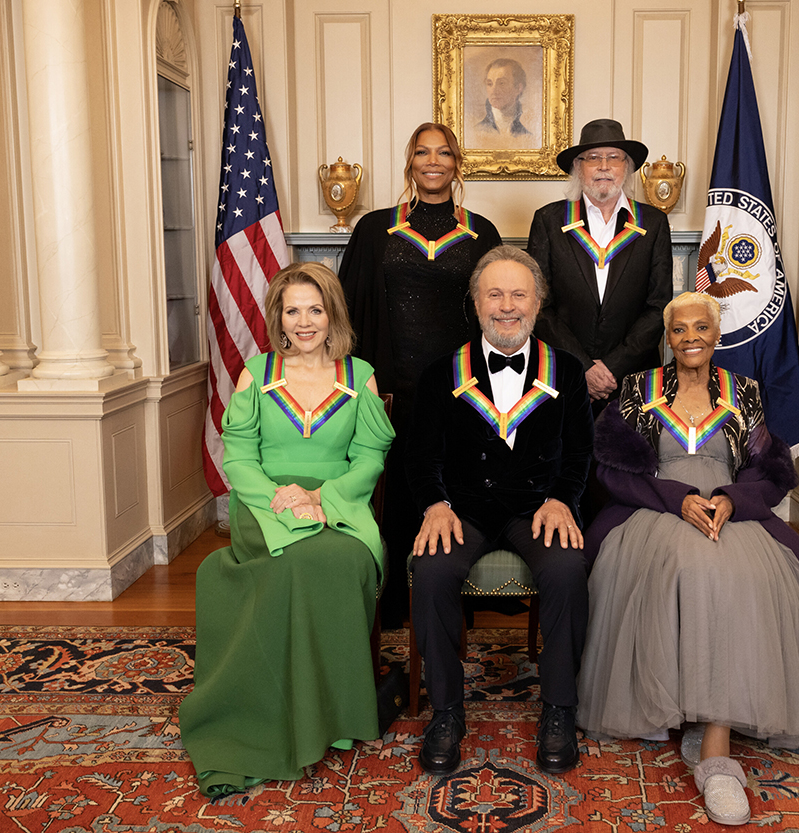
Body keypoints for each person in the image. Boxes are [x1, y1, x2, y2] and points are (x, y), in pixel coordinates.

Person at [576, 292, 799, 826]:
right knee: (686, 568)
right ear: (668, 337)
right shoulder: (637, 389)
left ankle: (717, 751)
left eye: (702, 328)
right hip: (654, 509)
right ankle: (676, 704)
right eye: (680, 329)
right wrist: (676, 499)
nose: (691, 337)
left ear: (717, 336)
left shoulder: (743, 391)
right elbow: (611, 471)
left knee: (740, 573)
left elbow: (770, 472)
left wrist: (728, 500)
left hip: (728, 510)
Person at [179, 262, 395, 797]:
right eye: (292, 310)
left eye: (315, 310)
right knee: (294, 561)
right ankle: (268, 710)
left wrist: (324, 497)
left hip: (339, 504)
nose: (304, 322)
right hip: (267, 506)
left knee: (340, 560)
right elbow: (239, 455)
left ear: (332, 315)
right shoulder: (257, 372)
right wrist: (278, 497)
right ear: (278, 316)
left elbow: (370, 455)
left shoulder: (360, 376)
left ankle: (327, 711)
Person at [407, 245, 593, 776]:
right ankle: (447, 712)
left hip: (537, 507)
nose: (506, 306)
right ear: (475, 302)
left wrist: (563, 499)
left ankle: (559, 707)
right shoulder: (440, 373)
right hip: (462, 508)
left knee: (566, 568)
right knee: (433, 570)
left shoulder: (569, 372)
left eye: (518, 294)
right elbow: (421, 455)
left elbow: (581, 452)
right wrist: (434, 505)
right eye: (495, 294)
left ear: (538, 303)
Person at [339, 123, 501, 626]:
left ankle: (450, 599)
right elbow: (347, 312)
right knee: (392, 495)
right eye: (422, 153)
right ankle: (387, 602)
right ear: (410, 162)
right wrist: (357, 379)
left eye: (445, 153)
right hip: (387, 390)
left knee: (452, 489)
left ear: (458, 164)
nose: (434, 161)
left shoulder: (482, 233)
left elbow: (500, 316)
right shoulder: (374, 228)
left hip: (461, 393)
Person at [527, 118, 673, 409]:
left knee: (628, 455)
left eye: (614, 157)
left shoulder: (654, 223)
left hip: (634, 380)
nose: (604, 166)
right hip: (564, 377)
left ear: (627, 167)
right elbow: (538, 306)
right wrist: (584, 366)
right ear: (578, 167)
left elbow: (658, 306)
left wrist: (613, 367)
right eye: (593, 158)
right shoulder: (548, 221)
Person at [475, 58, 532, 139]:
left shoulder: (527, 136)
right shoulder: (476, 132)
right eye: (489, 84)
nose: (494, 91)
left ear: (519, 88)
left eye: (501, 83)